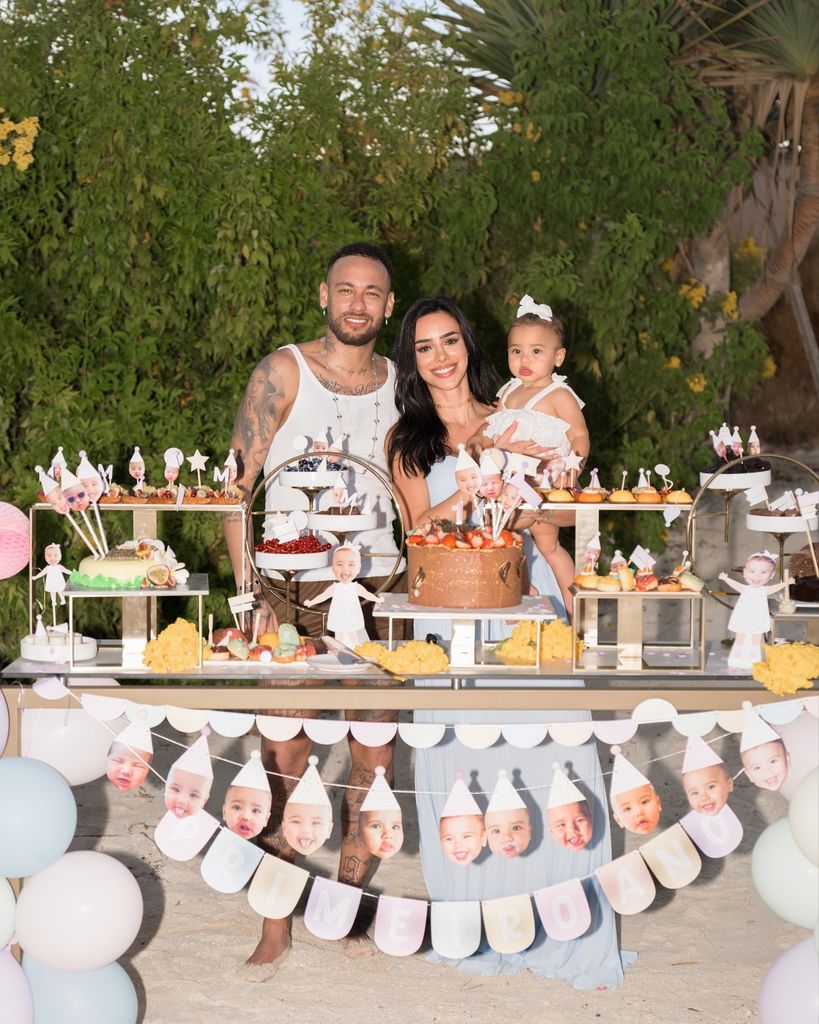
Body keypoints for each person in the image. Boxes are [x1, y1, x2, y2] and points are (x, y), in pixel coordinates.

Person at [388, 295, 630, 989]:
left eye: (450, 340)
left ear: (469, 345)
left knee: (556, 757)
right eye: (425, 346)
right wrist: (471, 486)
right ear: (412, 360)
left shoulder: (517, 411)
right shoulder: (409, 440)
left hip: (527, 602)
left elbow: (557, 497)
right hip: (451, 611)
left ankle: (568, 933)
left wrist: (534, 493)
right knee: (463, 767)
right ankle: (481, 924)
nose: (440, 356)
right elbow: (415, 535)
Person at [225, 241, 404, 974]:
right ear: (322, 296)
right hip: (285, 589)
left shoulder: (405, 381)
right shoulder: (281, 372)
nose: (358, 303)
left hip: (380, 587)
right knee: (283, 754)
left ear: (389, 307)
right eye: (346, 289)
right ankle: (274, 917)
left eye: (373, 293)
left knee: (374, 754)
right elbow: (235, 490)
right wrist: (247, 601)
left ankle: (344, 901)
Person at [469, 295, 590, 614]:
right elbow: (491, 427)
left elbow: (578, 434)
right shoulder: (507, 392)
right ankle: (526, 590)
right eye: (516, 350)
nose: (525, 358)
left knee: (535, 541)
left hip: (543, 478)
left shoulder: (558, 394)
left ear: (558, 357)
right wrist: (478, 440)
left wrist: (575, 465)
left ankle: (574, 600)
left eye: (537, 351)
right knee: (513, 536)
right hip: (509, 478)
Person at [720, 551, 787, 668]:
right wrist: (726, 579)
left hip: (758, 616)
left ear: (771, 575)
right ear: (744, 573)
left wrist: (786, 583)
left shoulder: (763, 590)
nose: (757, 576)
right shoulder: (745, 589)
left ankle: (753, 656)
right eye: (752, 571)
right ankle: (737, 654)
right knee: (741, 635)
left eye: (763, 572)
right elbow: (736, 585)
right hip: (744, 616)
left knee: (756, 635)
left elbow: (775, 588)